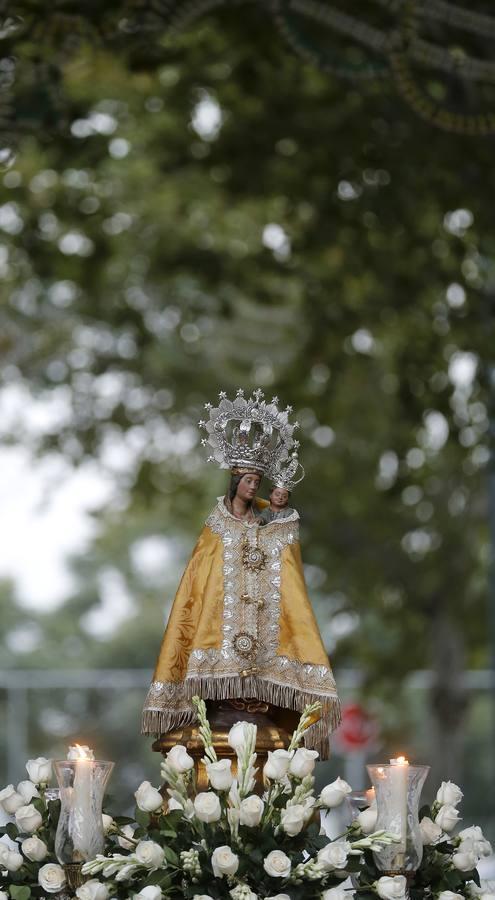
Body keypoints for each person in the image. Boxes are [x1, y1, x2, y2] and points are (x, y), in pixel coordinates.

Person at [141, 389, 340, 757]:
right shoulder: (215, 530)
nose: (254, 487)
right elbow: (199, 588)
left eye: (257, 481)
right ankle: (223, 698)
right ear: (235, 480)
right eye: (248, 480)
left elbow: (288, 575)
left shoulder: (271, 523)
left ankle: (258, 699)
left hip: (265, 632)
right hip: (221, 633)